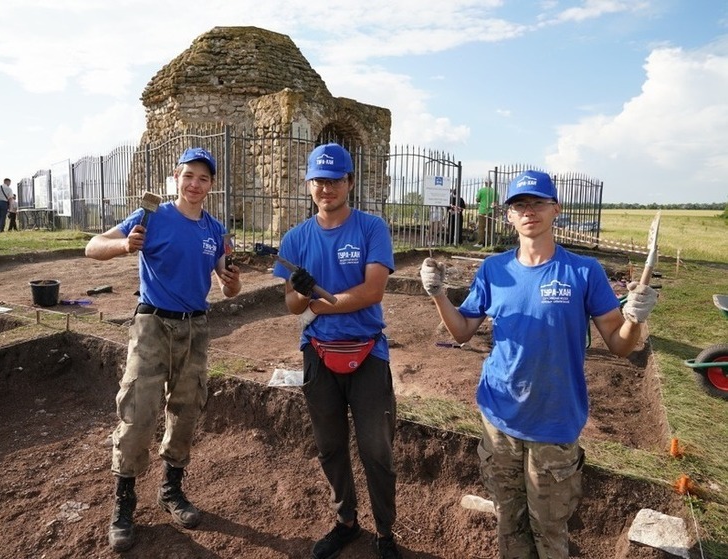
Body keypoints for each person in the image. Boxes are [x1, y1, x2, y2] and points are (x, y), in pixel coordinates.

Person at [419, 170, 657, 559]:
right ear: (509, 216)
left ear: (556, 210)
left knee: (548, 528)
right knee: (508, 522)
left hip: (554, 421)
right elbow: (462, 332)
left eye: (538, 203)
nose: (528, 211)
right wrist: (439, 295)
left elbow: (619, 345)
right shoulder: (494, 270)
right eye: (519, 205)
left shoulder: (583, 271)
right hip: (498, 419)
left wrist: (635, 318)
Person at [85, 147, 242, 552]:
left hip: (196, 329)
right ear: (177, 177)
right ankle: (124, 503)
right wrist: (123, 247)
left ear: (211, 185)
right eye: (189, 175)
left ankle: (171, 489)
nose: (195, 184)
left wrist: (231, 281)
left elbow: (227, 284)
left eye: (203, 179)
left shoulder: (215, 230)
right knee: (138, 413)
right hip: (152, 324)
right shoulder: (151, 217)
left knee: (187, 411)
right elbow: (93, 247)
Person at [272, 143, 402, 559]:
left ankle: (385, 533)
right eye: (319, 180)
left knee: (376, 449)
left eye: (335, 179)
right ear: (309, 184)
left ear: (349, 182)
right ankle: (346, 522)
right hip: (317, 352)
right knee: (329, 445)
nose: (326, 188)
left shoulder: (371, 228)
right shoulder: (295, 238)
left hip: (367, 351)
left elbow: (373, 290)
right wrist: (304, 291)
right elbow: (291, 305)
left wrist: (320, 302)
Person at [474, 179, 496, 247]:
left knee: (481, 228)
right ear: (491, 183)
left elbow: (477, 199)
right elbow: (496, 202)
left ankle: (480, 242)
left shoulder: (481, 190)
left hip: (483, 211)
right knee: (491, 228)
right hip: (491, 211)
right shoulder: (494, 191)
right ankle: (491, 242)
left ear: (485, 183)